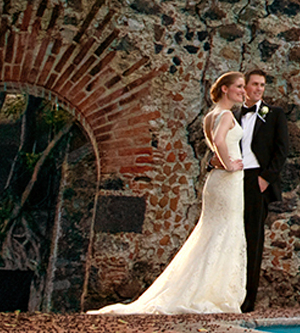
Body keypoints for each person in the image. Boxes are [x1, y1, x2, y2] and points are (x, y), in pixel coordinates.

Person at [91, 72, 249, 314]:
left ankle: (205, 287)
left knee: (212, 232)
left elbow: (214, 141)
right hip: (227, 179)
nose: (242, 91)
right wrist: (228, 163)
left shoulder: (210, 116)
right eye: (238, 86)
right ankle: (212, 291)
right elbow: (219, 140)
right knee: (225, 230)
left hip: (217, 181)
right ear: (225, 89)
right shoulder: (226, 114)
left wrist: (219, 162)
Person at [237, 69, 288, 312]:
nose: (258, 88)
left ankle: (249, 296)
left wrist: (266, 179)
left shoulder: (274, 114)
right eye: (254, 84)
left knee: (253, 238)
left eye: (262, 85)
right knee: (230, 236)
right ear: (244, 87)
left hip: (257, 180)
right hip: (233, 179)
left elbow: (282, 150)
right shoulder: (233, 114)